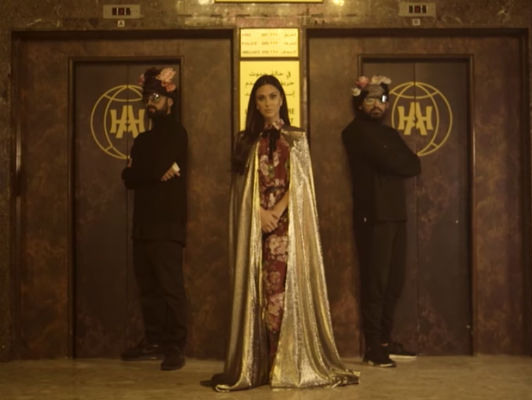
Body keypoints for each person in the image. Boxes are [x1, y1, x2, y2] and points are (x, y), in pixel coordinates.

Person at [213, 75, 358, 391]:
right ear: (255, 104)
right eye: (261, 97)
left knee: (279, 293)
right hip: (254, 224)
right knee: (259, 292)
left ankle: (284, 362)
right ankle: (259, 365)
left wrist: (276, 212)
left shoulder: (296, 138)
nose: (267, 103)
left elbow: (301, 185)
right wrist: (258, 213)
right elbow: (239, 190)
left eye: (272, 96)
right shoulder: (245, 140)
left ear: (281, 99)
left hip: (285, 226)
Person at [342, 75, 421, 368]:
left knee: (394, 281)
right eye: (371, 99)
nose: (377, 105)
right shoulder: (353, 132)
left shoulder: (389, 134)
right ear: (360, 103)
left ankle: (386, 341)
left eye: (382, 99)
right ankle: (373, 348)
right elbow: (393, 161)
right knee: (375, 283)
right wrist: (393, 159)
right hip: (373, 215)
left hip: (396, 214)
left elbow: (413, 164)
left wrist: (393, 159)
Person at [120, 67, 188, 371]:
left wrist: (141, 172)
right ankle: (155, 341)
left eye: (156, 97)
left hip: (168, 223)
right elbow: (129, 178)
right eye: (147, 98)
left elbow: (142, 172)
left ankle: (175, 347)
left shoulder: (178, 133)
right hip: (143, 225)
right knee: (147, 287)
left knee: (170, 287)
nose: (151, 103)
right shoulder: (142, 139)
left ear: (169, 100)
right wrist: (152, 173)